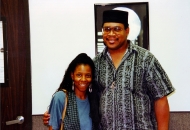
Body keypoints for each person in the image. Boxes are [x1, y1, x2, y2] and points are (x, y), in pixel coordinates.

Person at [44, 10, 175, 130]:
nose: (111, 34)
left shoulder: (146, 59)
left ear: (127, 30)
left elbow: (160, 99)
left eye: (117, 29)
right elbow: (85, 95)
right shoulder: (96, 63)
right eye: (107, 29)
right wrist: (56, 111)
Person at [47, 53, 102, 130]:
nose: (83, 79)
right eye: (79, 75)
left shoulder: (94, 99)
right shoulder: (61, 98)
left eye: (88, 75)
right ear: (72, 75)